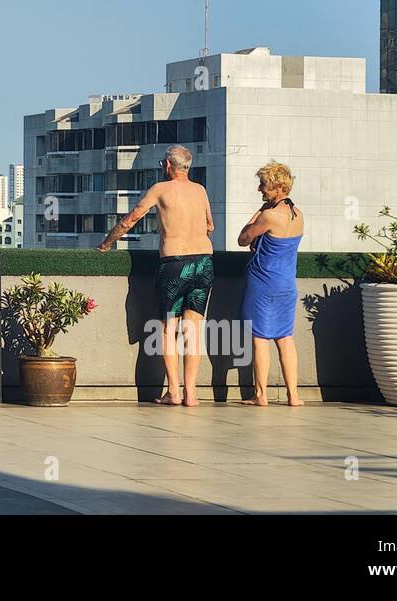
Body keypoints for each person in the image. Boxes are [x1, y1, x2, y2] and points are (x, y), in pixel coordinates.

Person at [97, 144, 214, 407]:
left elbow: (131, 219)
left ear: (168, 165)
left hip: (174, 263)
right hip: (204, 263)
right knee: (193, 330)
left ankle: (173, 391)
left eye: (163, 163)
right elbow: (210, 225)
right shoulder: (200, 190)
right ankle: (191, 394)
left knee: (168, 328)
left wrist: (106, 244)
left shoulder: (160, 189)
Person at [237, 161, 305, 407]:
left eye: (264, 185)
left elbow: (243, 239)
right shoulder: (298, 216)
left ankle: (261, 395)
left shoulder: (269, 215)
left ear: (278, 187)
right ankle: (293, 395)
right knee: (285, 338)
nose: (260, 189)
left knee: (260, 338)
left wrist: (259, 211)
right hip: (287, 284)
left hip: (263, 283)